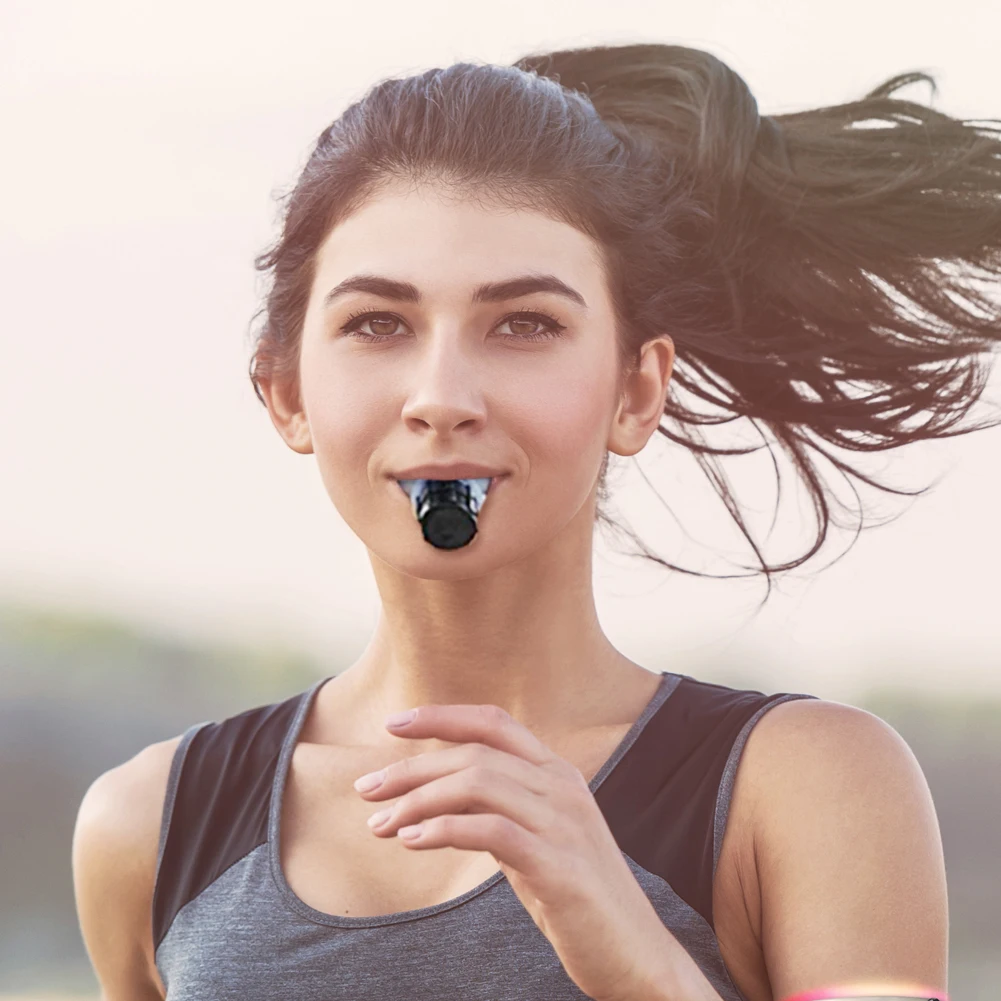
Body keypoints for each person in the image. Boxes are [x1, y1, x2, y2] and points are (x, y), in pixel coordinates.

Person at [77, 42, 1001, 1001]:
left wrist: (636, 957)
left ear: (636, 391)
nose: (442, 396)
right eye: (377, 324)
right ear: (285, 392)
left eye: (523, 324)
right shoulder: (152, 823)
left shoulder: (806, 785)